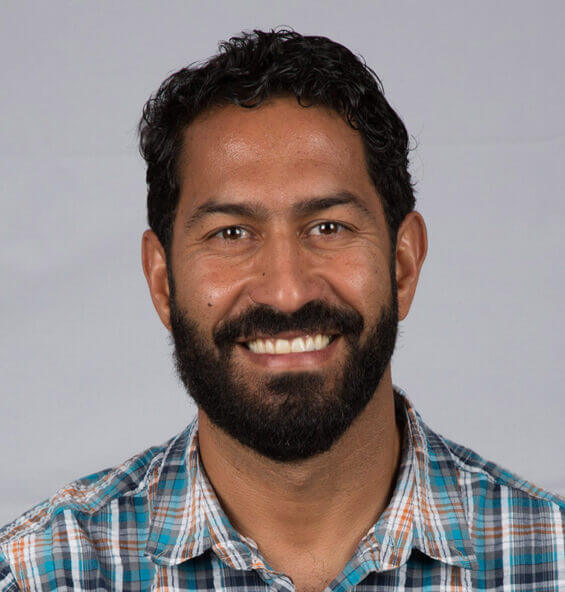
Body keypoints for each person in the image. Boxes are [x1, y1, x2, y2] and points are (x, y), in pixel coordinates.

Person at [0, 28, 563, 592]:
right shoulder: (39, 573)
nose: (287, 291)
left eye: (328, 227)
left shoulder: (551, 558)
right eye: (231, 233)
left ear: (403, 265)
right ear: (162, 281)